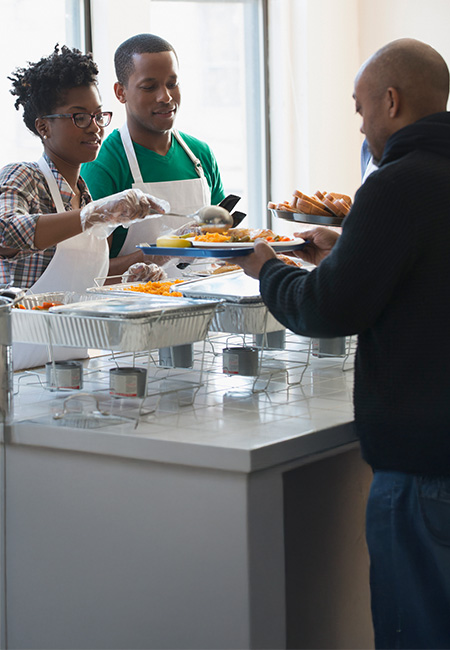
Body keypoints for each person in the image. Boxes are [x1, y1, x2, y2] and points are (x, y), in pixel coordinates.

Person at [233, 38, 450, 649]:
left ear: (391, 100)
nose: (361, 126)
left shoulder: (396, 184)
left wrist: (268, 269)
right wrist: (347, 250)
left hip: (423, 466)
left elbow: (327, 309)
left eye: (360, 111)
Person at [0, 45, 166, 369]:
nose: (95, 127)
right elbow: (6, 232)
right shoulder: (23, 177)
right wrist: (92, 215)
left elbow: (73, 289)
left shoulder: (82, 194)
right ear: (43, 127)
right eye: (79, 117)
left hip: (68, 364)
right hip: (12, 369)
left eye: (98, 115)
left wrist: (130, 281)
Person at [81, 33, 226, 278]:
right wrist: (155, 254)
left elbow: (222, 242)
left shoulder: (200, 154)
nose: (165, 97)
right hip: (131, 308)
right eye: (149, 87)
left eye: (172, 84)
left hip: (204, 302)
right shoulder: (104, 164)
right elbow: (90, 273)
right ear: (120, 92)